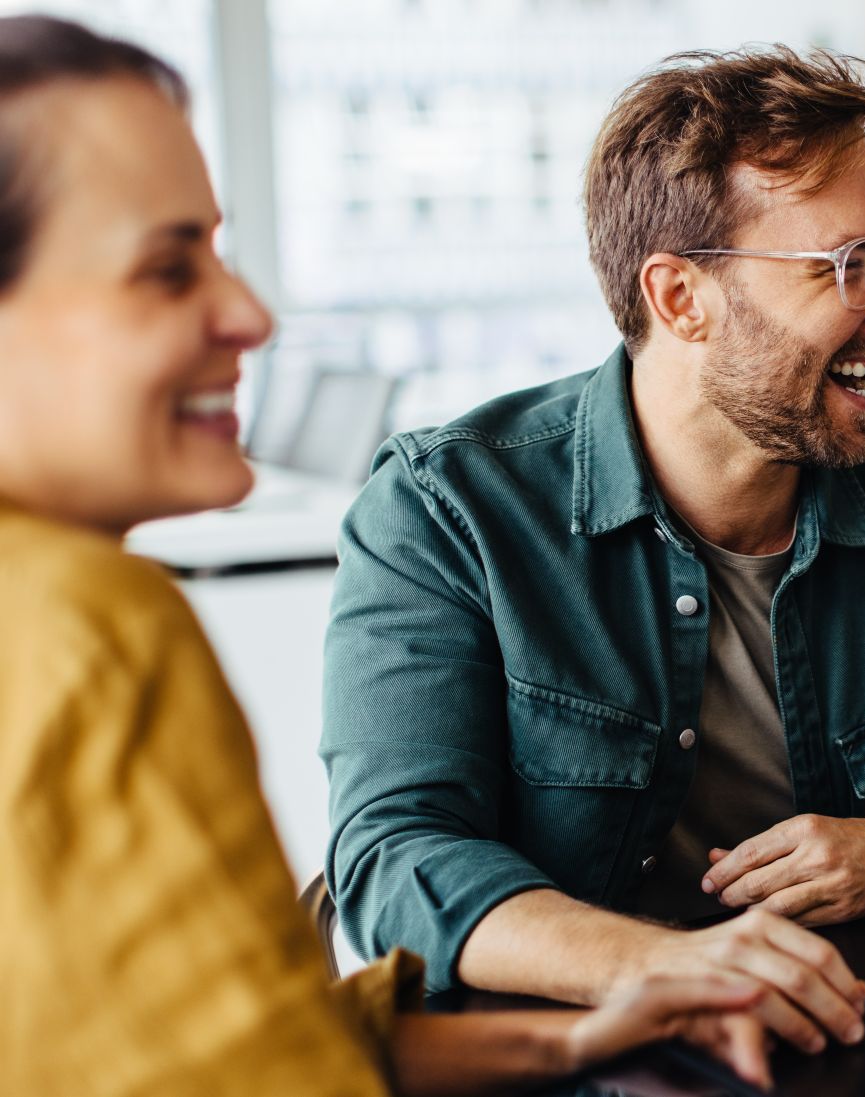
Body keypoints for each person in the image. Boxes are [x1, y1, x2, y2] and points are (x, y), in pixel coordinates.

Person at [319, 44, 865, 1055]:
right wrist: (661, 963)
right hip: (572, 1059)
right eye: (852, 263)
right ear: (682, 298)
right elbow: (394, 857)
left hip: (864, 1043)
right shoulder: (443, 507)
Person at [0, 16, 775, 1095]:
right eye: (169, 269)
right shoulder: (91, 621)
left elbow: (205, 1040)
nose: (250, 314)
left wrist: (569, 1037)